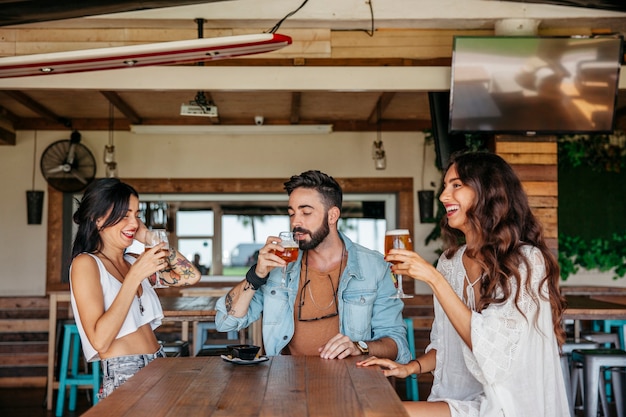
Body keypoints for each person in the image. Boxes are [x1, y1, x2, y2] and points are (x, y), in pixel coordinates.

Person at [359, 152, 569, 417]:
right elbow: (447, 345)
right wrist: (409, 368)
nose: (444, 196)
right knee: (365, 410)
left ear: (489, 192)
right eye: (445, 186)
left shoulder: (526, 261)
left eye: (456, 185)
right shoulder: (449, 262)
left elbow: (493, 354)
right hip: (461, 398)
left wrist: (433, 280)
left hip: (509, 404)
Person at [215, 170, 410, 362]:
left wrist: (359, 346)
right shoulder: (280, 266)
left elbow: (397, 344)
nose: (295, 222)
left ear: (332, 215)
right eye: (291, 214)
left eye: (306, 212)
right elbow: (225, 323)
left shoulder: (374, 266)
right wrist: (256, 276)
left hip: (350, 382)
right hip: (285, 381)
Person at [69, 178, 201, 398]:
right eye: (124, 215)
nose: (133, 223)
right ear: (97, 219)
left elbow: (190, 276)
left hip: (158, 363)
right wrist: (134, 277)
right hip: (125, 373)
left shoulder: (132, 260)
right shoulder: (86, 264)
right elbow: (100, 341)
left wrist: (150, 236)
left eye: (136, 215)